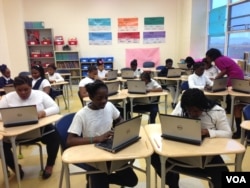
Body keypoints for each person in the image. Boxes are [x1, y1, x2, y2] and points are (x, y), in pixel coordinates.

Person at [151, 88, 232, 188]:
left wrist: (207, 132)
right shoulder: (181, 106)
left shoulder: (217, 111)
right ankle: (172, 182)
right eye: (188, 111)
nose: (192, 113)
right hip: (180, 153)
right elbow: (171, 121)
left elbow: (228, 134)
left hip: (205, 157)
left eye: (195, 111)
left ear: (203, 106)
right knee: (154, 155)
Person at [66, 80, 138, 188]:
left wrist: (120, 130)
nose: (104, 101)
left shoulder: (109, 106)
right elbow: (70, 140)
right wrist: (97, 139)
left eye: (106, 97)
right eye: (99, 98)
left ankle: (100, 180)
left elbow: (119, 119)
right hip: (93, 155)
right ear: (90, 97)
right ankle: (96, 180)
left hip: (110, 148)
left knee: (132, 181)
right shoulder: (82, 115)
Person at [0, 76, 60, 179]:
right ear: (15, 88)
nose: (23, 92)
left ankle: (50, 165)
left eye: (26, 89)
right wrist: (9, 116)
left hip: (38, 131)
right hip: (14, 134)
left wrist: (43, 112)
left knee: (54, 135)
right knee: (0, 145)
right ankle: (15, 168)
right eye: (19, 90)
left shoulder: (40, 94)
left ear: (31, 87)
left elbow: (55, 108)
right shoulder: (7, 98)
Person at [206, 48, 245, 134]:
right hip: (238, 76)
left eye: (207, 56)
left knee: (225, 90)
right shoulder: (223, 58)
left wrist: (216, 79)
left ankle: (229, 106)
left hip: (235, 77)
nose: (207, 58)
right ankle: (229, 107)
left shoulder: (217, 60)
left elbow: (224, 71)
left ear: (211, 56)